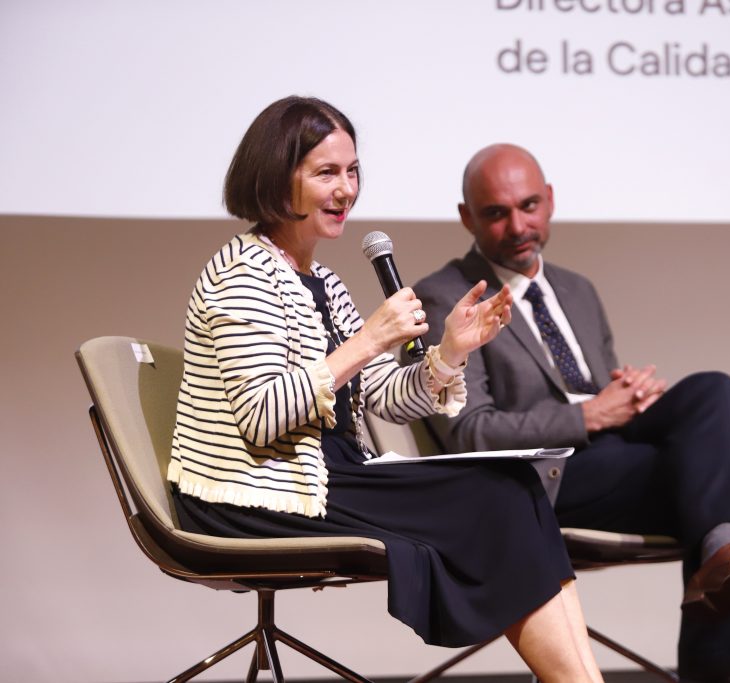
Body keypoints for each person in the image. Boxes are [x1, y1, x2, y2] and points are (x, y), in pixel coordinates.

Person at [167, 98, 605, 682]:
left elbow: (383, 399)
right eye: (326, 173)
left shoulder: (321, 279)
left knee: (515, 485)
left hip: (328, 472)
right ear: (275, 177)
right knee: (495, 498)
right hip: (253, 495)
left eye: (352, 172)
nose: (346, 190)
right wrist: (369, 339)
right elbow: (261, 416)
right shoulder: (240, 272)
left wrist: (451, 352)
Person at [413, 143, 730, 681]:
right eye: (496, 213)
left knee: (713, 389)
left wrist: (629, 399)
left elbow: (597, 394)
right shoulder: (446, 295)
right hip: (536, 478)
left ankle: (720, 557)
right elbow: (470, 432)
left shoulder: (576, 289)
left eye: (529, 206)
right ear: (466, 217)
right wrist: (591, 415)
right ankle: (720, 647)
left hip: (606, 454)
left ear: (550, 201)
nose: (518, 225)